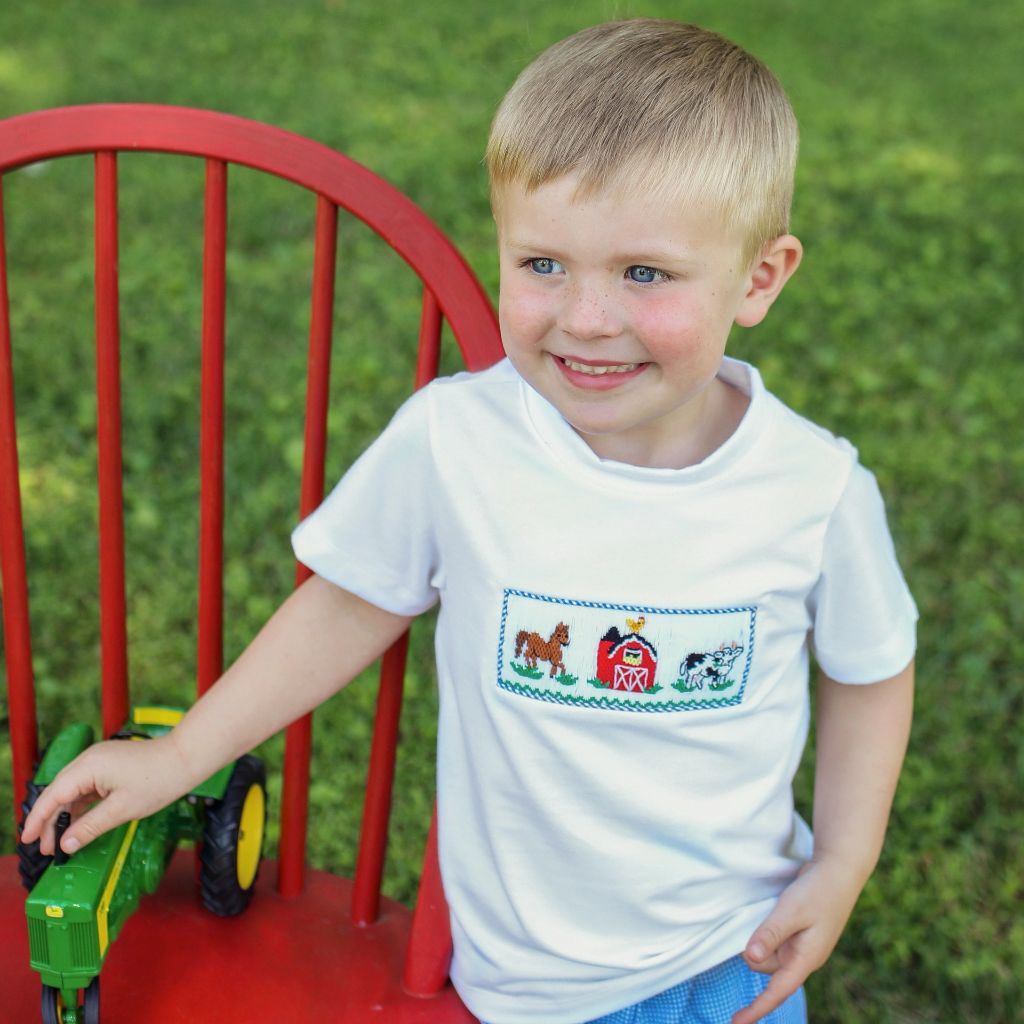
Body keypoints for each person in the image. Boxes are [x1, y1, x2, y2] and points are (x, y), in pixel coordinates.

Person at [21, 19, 917, 1024]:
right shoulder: (458, 439)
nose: (584, 316)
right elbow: (348, 606)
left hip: (725, 960)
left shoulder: (812, 489)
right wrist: (180, 758)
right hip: (520, 986)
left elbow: (870, 670)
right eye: (541, 264)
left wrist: (844, 858)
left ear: (759, 277)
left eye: (645, 274)